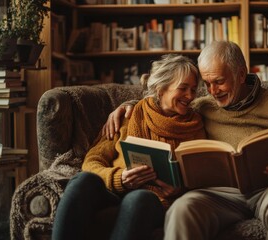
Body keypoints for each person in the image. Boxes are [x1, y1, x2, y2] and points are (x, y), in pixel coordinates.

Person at [103, 41, 268, 240]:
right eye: (207, 83)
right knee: (183, 209)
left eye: (219, 81)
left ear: (241, 74)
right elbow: (163, 101)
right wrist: (127, 107)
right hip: (216, 194)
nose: (212, 91)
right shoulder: (201, 106)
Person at [52, 54, 206, 240]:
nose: (190, 96)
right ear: (160, 89)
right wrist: (119, 178)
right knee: (82, 180)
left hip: (156, 201)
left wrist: (180, 189)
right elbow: (93, 161)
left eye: (193, 89)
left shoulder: (195, 127)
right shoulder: (129, 115)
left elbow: (202, 178)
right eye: (183, 88)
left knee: (139, 198)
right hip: (115, 191)